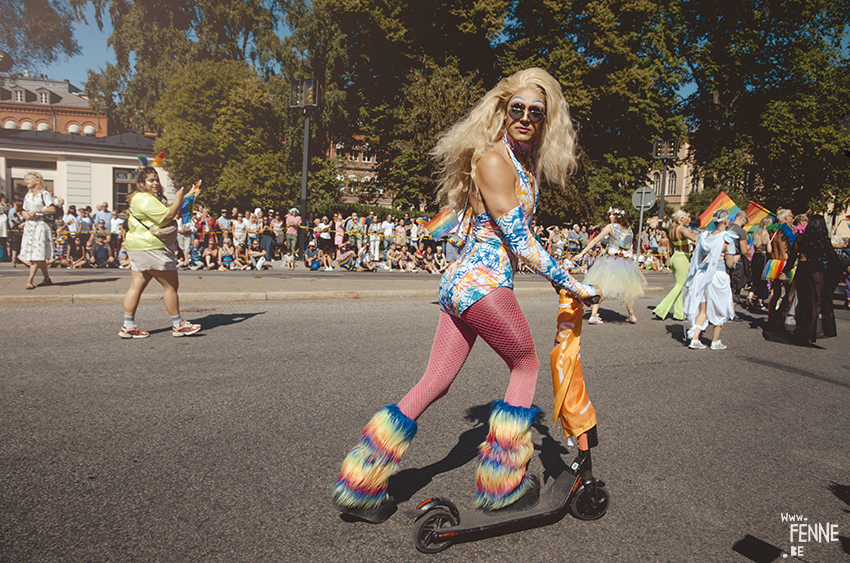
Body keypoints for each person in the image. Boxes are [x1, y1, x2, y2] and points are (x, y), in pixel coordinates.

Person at [332, 68, 600, 521]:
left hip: (464, 284)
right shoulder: (494, 160)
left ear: (545, 120)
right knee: (526, 365)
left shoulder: (522, 162)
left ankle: (362, 484)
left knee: (435, 382)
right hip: (484, 283)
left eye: (536, 112)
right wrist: (571, 281)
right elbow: (518, 239)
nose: (525, 118)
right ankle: (503, 485)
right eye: (517, 108)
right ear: (503, 108)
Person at [120, 166, 201, 338]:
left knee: (136, 286)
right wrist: (179, 197)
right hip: (151, 247)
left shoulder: (141, 198)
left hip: (138, 246)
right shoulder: (145, 199)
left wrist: (187, 197)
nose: (155, 183)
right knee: (170, 286)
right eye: (151, 180)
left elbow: (166, 210)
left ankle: (128, 326)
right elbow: (169, 215)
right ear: (141, 183)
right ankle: (178, 324)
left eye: (156, 179)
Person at [574, 206, 645, 324]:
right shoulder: (628, 229)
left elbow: (595, 240)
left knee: (600, 285)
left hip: (610, 260)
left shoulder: (611, 227)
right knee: (626, 288)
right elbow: (628, 245)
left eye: (612, 214)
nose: (610, 216)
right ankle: (631, 315)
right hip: (626, 262)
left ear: (618, 216)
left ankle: (594, 315)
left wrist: (581, 253)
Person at [682, 209, 737, 349]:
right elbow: (730, 263)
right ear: (725, 221)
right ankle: (715, 341)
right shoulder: (727, 238)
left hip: (702, 276)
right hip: (718, 276)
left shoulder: (704, 236)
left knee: (703, 310)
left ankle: (695, 339)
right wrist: (735, 259)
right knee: (720, 309)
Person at [792, 215, 849, 345]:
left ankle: (800, 329)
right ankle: (809, 334)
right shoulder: (823, 240)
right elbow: (833, 259)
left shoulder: (801, 239)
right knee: (814, 303)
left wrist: (785, 272)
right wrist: (842, 268)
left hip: (802, 270)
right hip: (817, 270)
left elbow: (792, 256)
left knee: (802, 301)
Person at [652, 210, 699, 320]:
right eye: (688, 217)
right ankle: (661, 309)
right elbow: (695, 238)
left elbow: (672, 246)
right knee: (679, 285)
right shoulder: (683, 230)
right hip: (682, 257)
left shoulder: (673, 230)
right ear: (681, 218)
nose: (690, 219)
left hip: (675, 257)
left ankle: (679, 313)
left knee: (680, 286)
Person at [19, 172, 57, 289]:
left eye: (29, 179)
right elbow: (24, 209)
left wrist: (37, 211)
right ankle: (47, 278)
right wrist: (25, 214)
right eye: (26, 180)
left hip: (40, 226)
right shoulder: (28, 195)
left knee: (36, 254)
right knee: (36, 254)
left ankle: (29, 280)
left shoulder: (44, 193)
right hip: (30, 226)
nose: (27, 182)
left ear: (37, 180)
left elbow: (52, 209)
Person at [749, 216, 773, 310]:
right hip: (763, 257)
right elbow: (769, 249)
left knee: (755, 278)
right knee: (763, 279)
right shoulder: (766, 234)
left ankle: (750, 295)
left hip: (756, 256)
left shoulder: (755, 233)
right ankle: (759, 301)